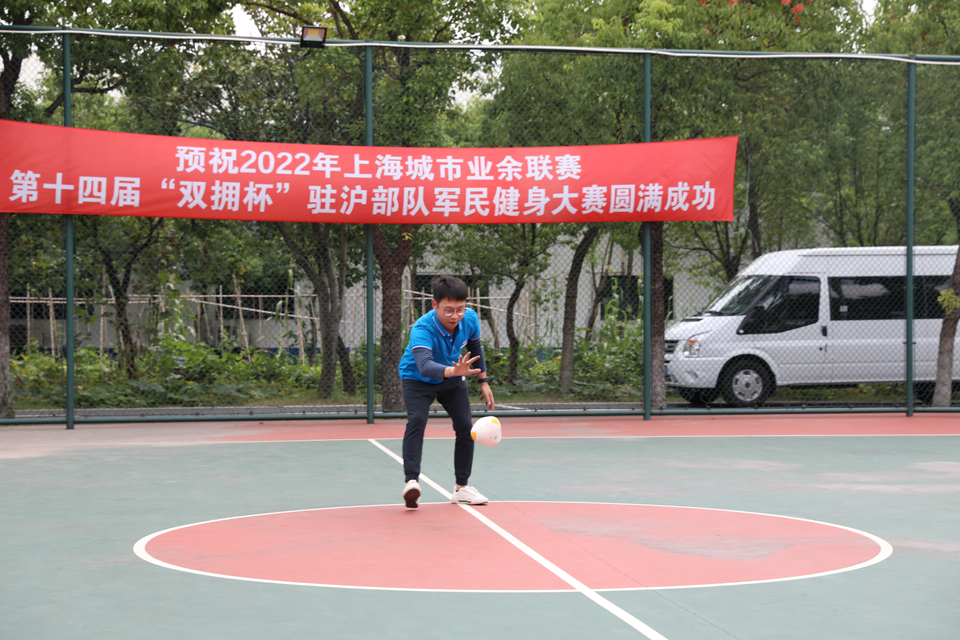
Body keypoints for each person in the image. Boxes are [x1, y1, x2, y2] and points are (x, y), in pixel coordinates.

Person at [397, 275, 495, 509]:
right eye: (448, 310)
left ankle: (462, 489)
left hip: (452, 376)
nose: (455, 316)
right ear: (435, 305)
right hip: (417, 378)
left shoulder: (469, 318)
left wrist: (483, 381)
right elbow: (425, 366)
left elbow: (475, 346)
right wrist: (454, 370)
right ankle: (412, 483)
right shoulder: (422, 328)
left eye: (460, 309)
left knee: (465, 426)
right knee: (417, 420)